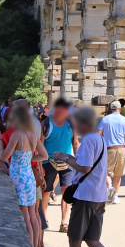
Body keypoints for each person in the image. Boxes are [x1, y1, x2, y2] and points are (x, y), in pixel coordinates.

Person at [51, 106, 123, 247]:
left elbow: (84, 167)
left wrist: (65, 157)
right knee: (92, 239)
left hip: (86, 197)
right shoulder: (99, 138)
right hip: (98, 196)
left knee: (74, 240)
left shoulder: (89, 140)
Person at [0, 103, 47, 247]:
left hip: (18, 176)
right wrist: (28, 158)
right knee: (32, 216)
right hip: (29, 176)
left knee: (25, 216)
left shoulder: (16, 135)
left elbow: (4, 157)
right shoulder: (32, 135)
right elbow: (44, 155)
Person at [42, 98, 78, 232]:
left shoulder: (71, 123)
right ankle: (44, 219)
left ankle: (64, 222)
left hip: (66, 161)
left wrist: (79, 160)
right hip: (48, 161)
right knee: (46, 192)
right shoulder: (46, 123)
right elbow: (40, 143)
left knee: (66, 192)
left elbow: (75, 142)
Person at [100, 99, 125, 204]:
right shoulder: (124, 120)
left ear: (111, 109)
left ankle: (109, 187)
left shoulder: (105, 119)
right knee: (118, 173)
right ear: (119, 109)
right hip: (121, 149)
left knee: (106, 172)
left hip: (109, 149)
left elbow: (98, 134)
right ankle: (115, 196)